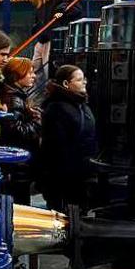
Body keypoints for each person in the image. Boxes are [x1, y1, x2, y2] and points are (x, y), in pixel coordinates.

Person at [38, 65, 97, 212]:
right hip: (65, 177)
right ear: (66, 83)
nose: (84, 82)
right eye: (79, 79)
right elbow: (55, 147)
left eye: (84, 79)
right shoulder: (56, 108)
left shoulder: (80, 104)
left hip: (81, 172)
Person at [29, 0, 78, 96]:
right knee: (36, 68)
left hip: (49, 37)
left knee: (46, 70)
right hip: (43, 37)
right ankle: (34, 96)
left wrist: (60, 11)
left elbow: (70, 4)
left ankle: (45, 95)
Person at [0, 56, 42, 205]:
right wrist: (37, 121)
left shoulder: (15, 95)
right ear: (17, 74)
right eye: (30, 72)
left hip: (17, 163)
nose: (34, 76)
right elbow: (17, 131)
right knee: (20, 203)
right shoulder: (14, 98)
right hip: (17, 163)